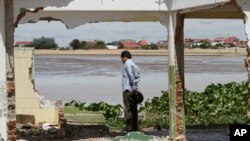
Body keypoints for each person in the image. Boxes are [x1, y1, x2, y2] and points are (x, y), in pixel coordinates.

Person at [121, 50, 141, 131]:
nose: (121, 60)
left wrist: (132, 85)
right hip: (133, 89)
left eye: (121, 58)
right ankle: (135, 127)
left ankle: (129, 128)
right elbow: (138, 77)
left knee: (128, 108)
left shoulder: (127, 63)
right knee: (134, 108)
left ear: (124, 57)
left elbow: (130, 74)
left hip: (127, 89)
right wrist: (135, 85)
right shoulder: (134, 64)